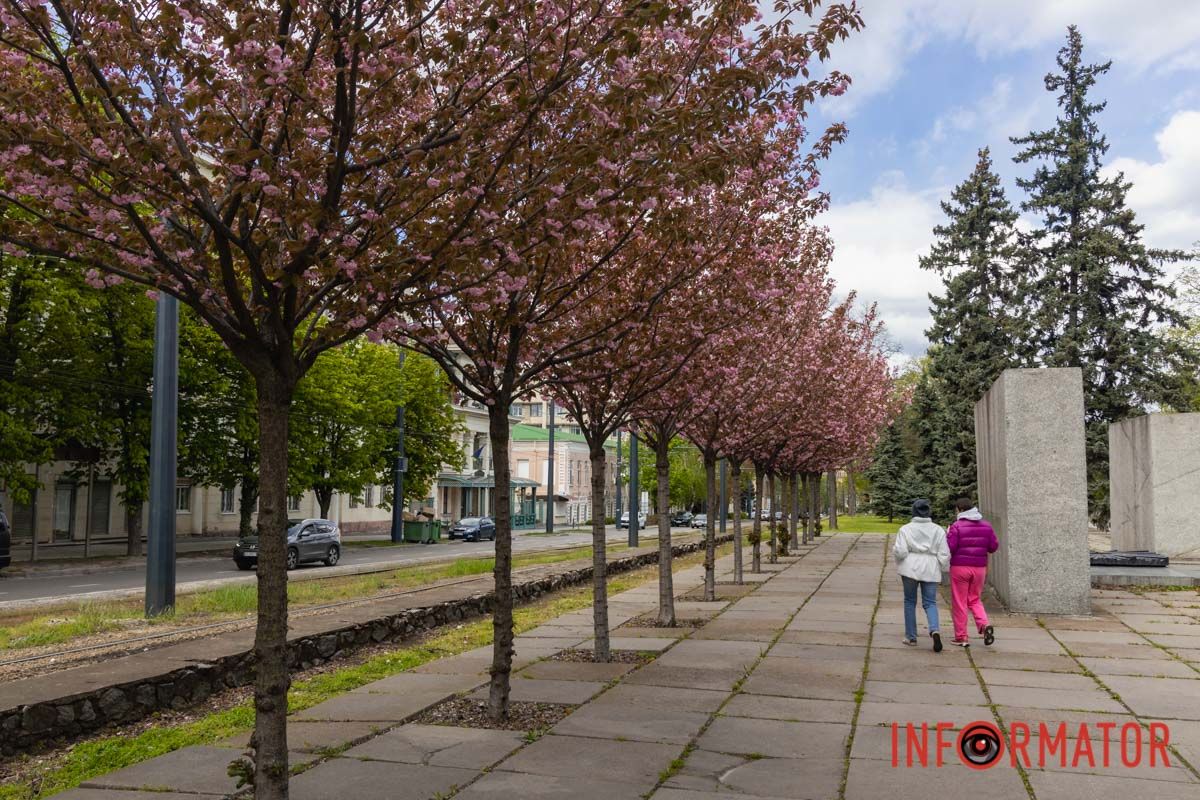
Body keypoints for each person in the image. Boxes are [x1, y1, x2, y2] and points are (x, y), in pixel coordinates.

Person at [893, 499, 950, 652]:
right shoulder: (938, 530)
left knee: (910, 601)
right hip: (930, 567)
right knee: (930, 602)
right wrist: (944, 568)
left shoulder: (906, 529)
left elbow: (901, 551)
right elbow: (944, 553)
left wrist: (898, 561)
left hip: (910, 567)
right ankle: (934, 629)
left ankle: (911, 636)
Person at [946, 497, 999, 647]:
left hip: (960, 568)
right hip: (980, 568)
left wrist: (948, 533)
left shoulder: (956, 526)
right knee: (975, 599)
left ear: (960, 510)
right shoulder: (987, 526)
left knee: (959, 602)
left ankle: (961, 637)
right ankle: (984, 625)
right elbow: (993, 547)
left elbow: (950, 547)